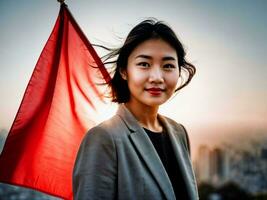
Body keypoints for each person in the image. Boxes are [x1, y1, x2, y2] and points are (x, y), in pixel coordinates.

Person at [73, 19, 199, 200]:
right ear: (124, 71)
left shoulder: (179, 132)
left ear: (179, 72)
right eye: (144, 64)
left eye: (168, 66)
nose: (157, 77)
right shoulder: (104, 138)